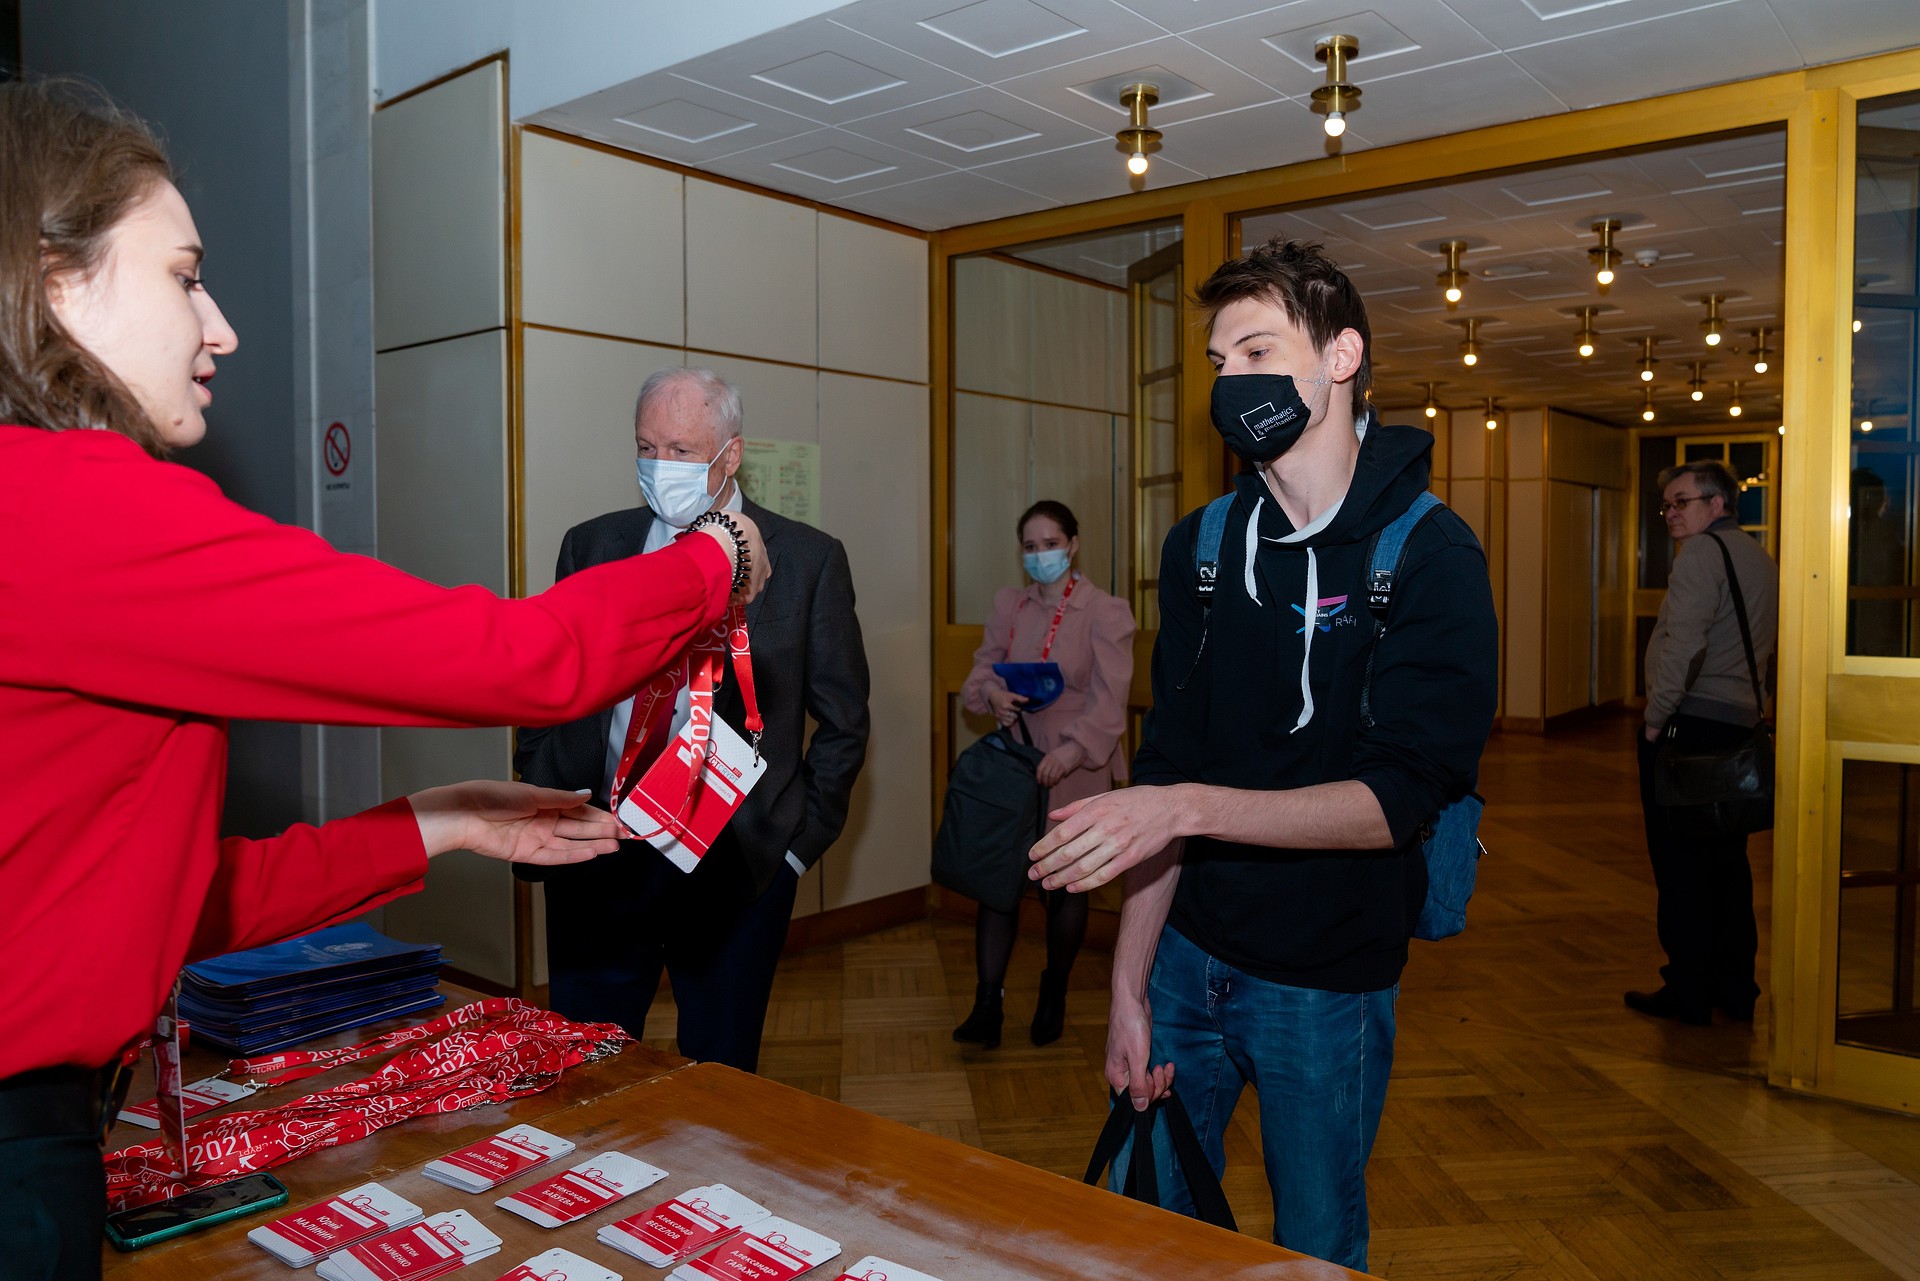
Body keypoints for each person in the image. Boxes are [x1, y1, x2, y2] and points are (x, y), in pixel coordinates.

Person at [0, 81, 767, 1278]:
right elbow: (532, 659)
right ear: (57, 281)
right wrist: (719, 560)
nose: (220, 327)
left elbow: (165, 899)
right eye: (184, 277)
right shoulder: (69, 509)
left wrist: (445, 819)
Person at [1027, 238, 1499, 1272]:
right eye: (1219, 360)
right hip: (1187, 955)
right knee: (1147, 1230)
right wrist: (1130, 987)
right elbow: (1168, 769)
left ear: (1340, 357)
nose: (1231, 380)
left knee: (1314, 1247)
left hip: (1328, 986)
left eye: (1257, 352)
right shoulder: (1200, 549)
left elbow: (1397, 799)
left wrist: (1184, 808)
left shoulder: (1431, 554)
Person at [514, 367, 870, 1074]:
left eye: (680, 450)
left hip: (734, 864)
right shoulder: (592, 545)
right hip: (599, 849)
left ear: (730, 455)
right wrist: (542, 778)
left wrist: (792, 852)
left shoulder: (807, 560)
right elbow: (545, 679)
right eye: (646, 448)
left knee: (719, 1078)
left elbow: (844, 723)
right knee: (583, 1067)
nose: (660, 467)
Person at [955, 501, 1136, 1049]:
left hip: (1077, 765)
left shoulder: (1105, 611)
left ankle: (1054, 990)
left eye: (1050, 544)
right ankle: (987, 1005)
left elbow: (1111, 698)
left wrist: (1075, 750)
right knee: (998, 880)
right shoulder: (1010, 605)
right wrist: (992, 694)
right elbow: (982, 670)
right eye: (1030, 547)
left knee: (1066, 885)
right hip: (1017, 759)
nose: (1040, 556)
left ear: (1073, 545)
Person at [1627, 459, 1777, 1026]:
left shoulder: (1699, 557)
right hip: (1738, 727)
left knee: (1681, 868)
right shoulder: (1758, 557)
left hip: (1690, 729)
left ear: (1718, 503)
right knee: (1728, 866)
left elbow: (1683, 648)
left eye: (1682, 502)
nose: (1670, 513)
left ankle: (1687, 991)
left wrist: (1653, 721)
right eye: (1667, 504)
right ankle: (1735, 988)